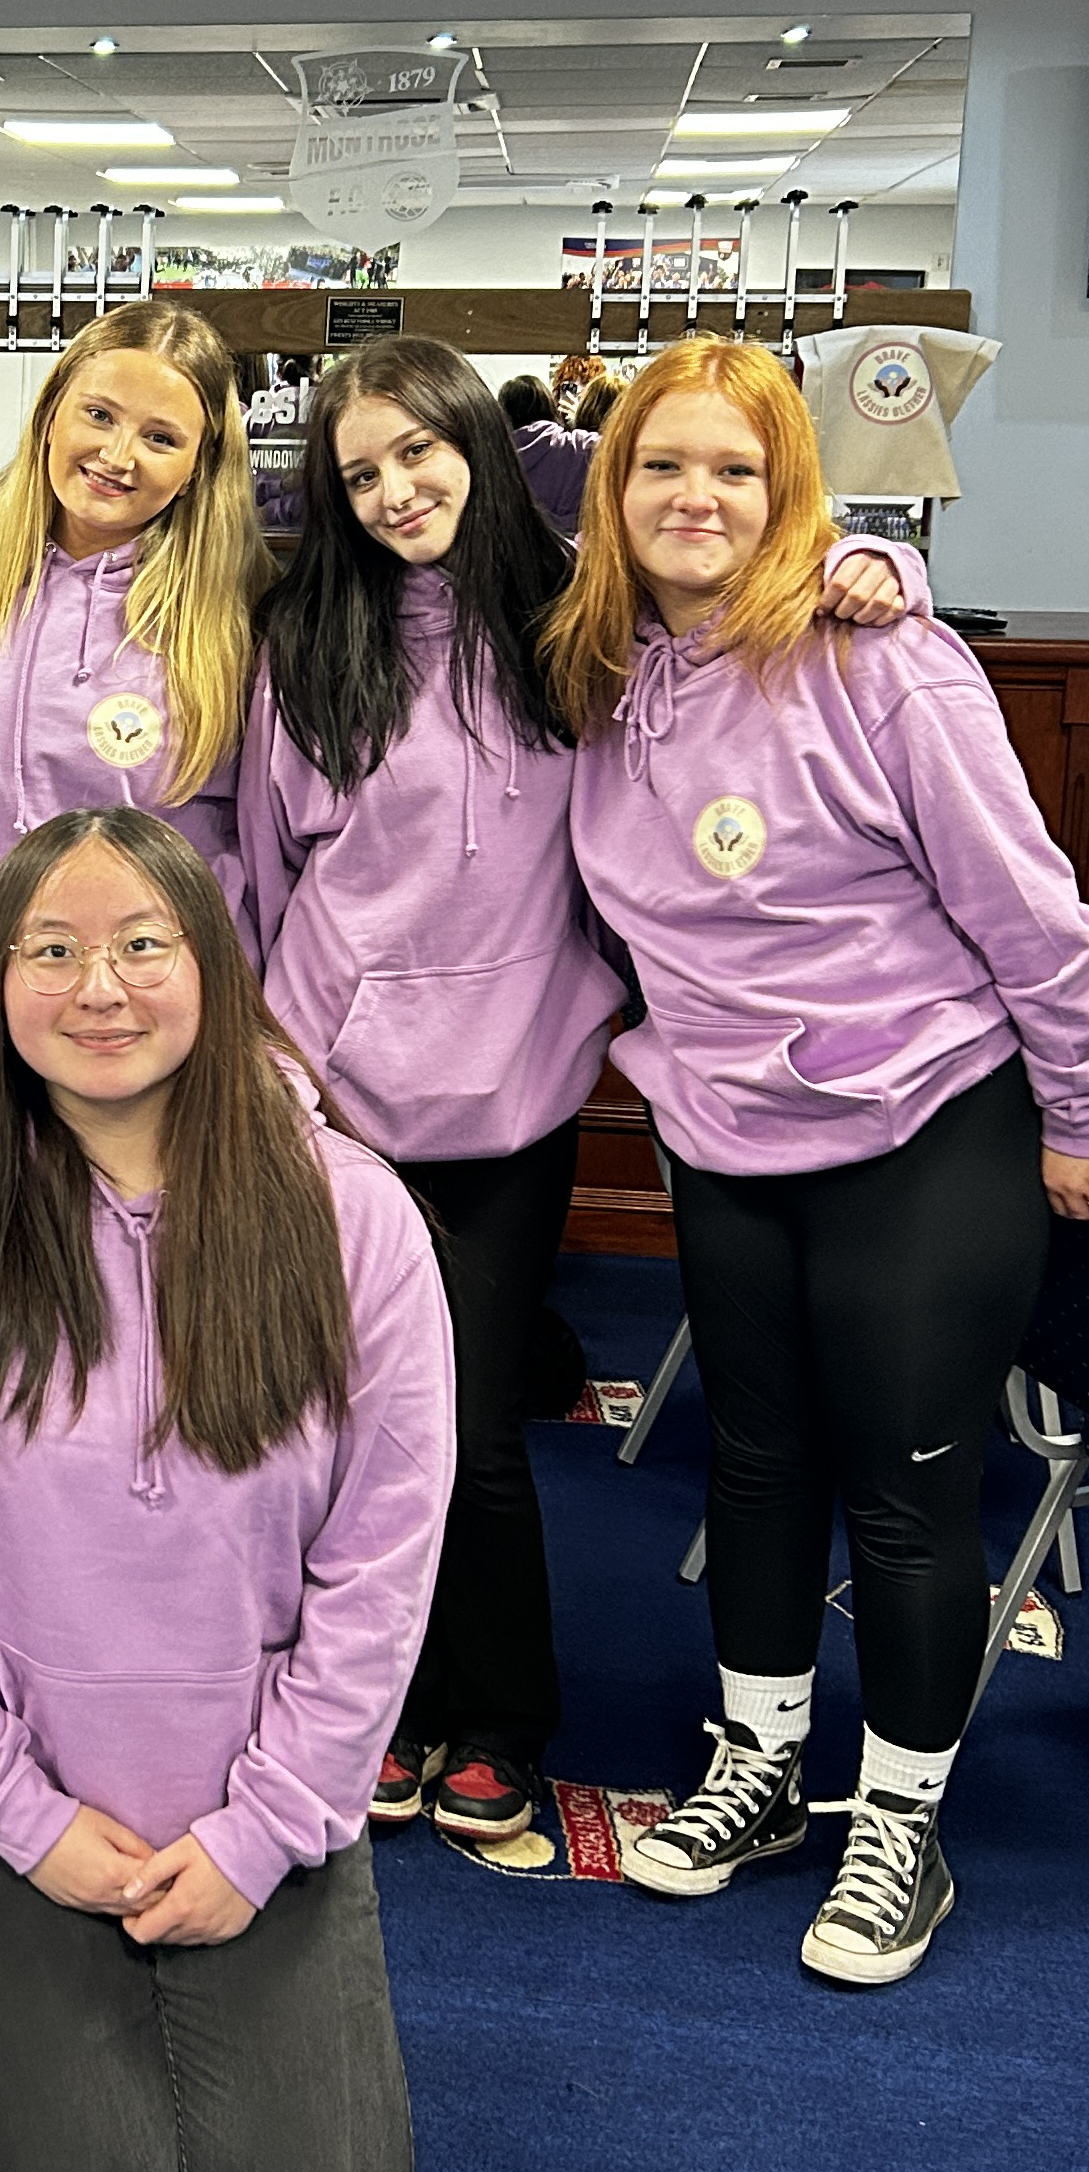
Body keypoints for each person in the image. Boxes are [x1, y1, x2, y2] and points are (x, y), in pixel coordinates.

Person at [242, 333, 909, 1845]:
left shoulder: (580, 626)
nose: (395, 489)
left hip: (514, 1097)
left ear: (480, 444)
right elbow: (272, 881)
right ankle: (385, 1706)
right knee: (337, 1421)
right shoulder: (304, 641)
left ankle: (498, 1719)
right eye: (359, 473)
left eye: (419, 452)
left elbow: (741, 605)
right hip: (334, 1102)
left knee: (465, 1427)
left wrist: (876, 568)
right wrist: (284, 1066)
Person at [0, 806, 454, 2172]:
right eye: (50, 951)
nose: (96, 988)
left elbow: (381, 1562)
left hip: (255, 1796)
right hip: (7, 1808)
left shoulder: (349, 1216)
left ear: (211, 968)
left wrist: (263, 1833)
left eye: (139, 945)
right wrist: (13, 1811)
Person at [543, 336, 1089, 1985]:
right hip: (726, 1132)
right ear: (613, 490)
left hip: (926, 1127)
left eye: (738, 469)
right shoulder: (601, 676)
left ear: (792, 492)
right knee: (753, 1464)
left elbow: (1036, 918)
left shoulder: (884, 667)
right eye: (663, 466)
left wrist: (1075, 1117)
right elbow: (480, 514)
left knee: (904, 1490)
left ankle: (899, 1824)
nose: (696, 497)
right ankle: (762, 1764)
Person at [0, 301, 269, 1087]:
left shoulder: (237, 616)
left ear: (201, 463)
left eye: (160, 438)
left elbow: (257, 853)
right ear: (51, 411)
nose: (117, 455)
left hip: (141, 1044)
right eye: (98, 414)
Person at [498, 372, 599, 536]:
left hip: (516, 550)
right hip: (577, 552)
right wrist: (577, 419)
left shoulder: (495, 457)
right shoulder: (578, 446)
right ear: (548, 404)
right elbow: (620, 447)